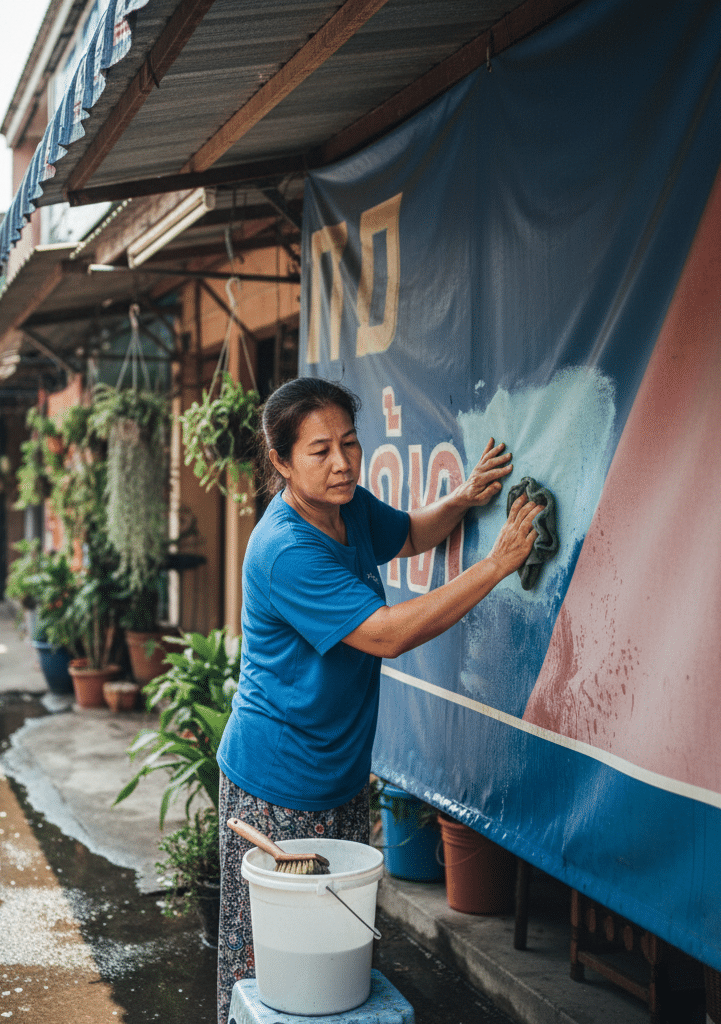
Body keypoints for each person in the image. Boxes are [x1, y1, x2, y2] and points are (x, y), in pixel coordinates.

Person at [215, 377, 541, 1024]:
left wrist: (467, 497)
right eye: (318, 451)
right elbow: (387, 636)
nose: (340, 463)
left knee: (332, 969)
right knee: (270, 975)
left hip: (337, 777)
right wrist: (497, 563)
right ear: (280, 462)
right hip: (276, 785)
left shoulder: (349, 507)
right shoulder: (285, 549)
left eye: (349, 443)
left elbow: (413, 535)